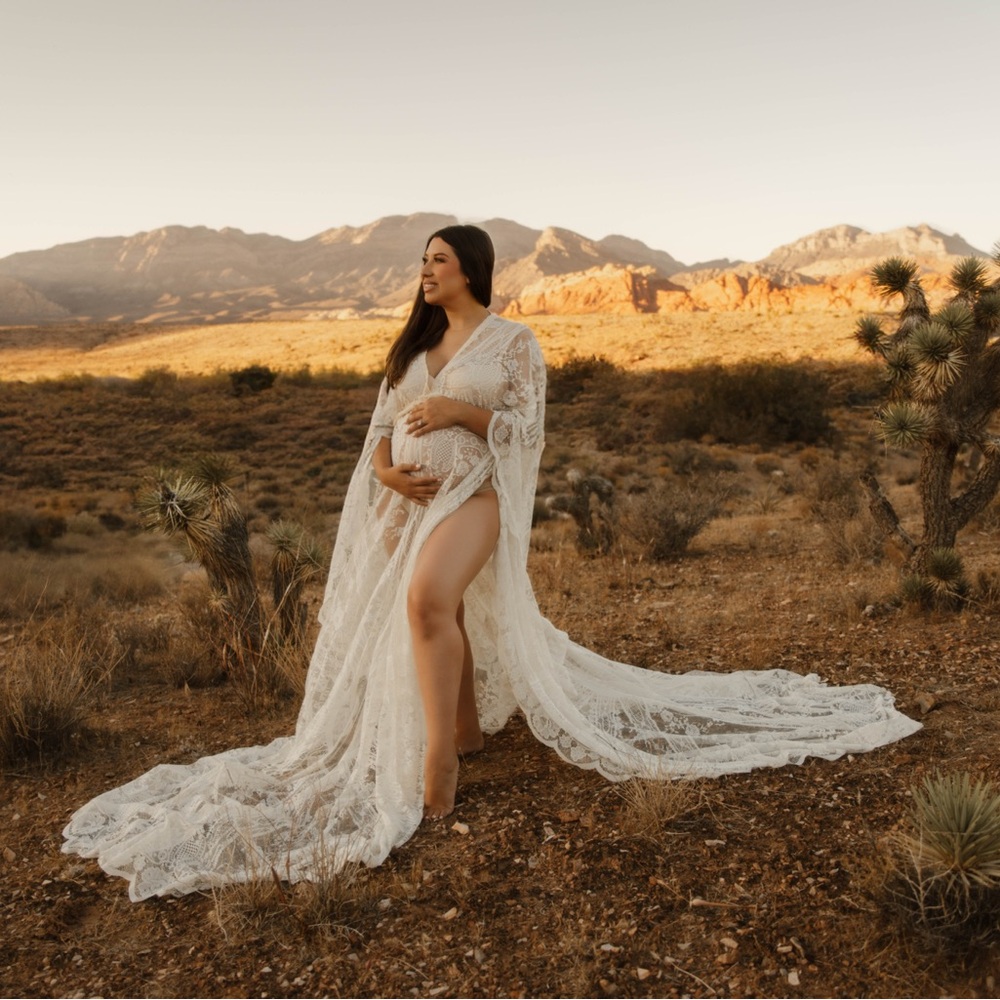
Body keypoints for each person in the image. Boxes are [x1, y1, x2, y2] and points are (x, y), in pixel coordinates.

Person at [63, 225, 921, 901]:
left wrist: (460, 418)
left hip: (476, 500)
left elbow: (527, 432)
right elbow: (376, 433)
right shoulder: (414, 343)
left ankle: (437, 760)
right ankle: (466, 728)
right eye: (421, 260)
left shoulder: (512, 343)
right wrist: (389, 471)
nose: (423, 271)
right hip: (412, 503)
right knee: (443, 614)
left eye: (436, 259)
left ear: (470, 267)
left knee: (431, 603)